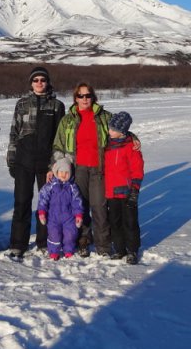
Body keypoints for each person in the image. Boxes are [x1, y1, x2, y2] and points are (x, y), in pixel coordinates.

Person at [52, 82, 138, 257]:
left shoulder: (103, 117)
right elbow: (57, 145)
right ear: (75, 98)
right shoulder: (68, 120)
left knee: (99, 208)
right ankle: (83, 241)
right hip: (77, 170)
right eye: (81, 96)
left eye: (88, 95)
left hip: (99, 168)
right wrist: (57, 166)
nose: (85, 99)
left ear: (93, 97)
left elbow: (121, 130)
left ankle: (104, 245)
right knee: (80, 208)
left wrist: (133, 137)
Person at [6, 67, 65, 259]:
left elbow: (60, 138)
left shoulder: (56, 105)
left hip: (46, 164)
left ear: (48, 82)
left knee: (46, 204)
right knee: (21, 202)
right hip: (23, 161)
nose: (39, 83)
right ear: (31, 83)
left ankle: (44, 242)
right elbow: (14, 133)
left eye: (42, 80)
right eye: (36, 80)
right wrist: (12, 159)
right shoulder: (22, 104)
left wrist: (54, 165)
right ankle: (18, 244)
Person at [105, 111, 144, 265]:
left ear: (122, 132)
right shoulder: (107, 145)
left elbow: (137, 170)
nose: (109, 131)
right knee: (115, 222)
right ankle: (119, 248)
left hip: (127, 192)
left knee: (130, 222)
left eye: (113, 129)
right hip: (111, 192)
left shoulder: (131, 147)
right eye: (109, 128)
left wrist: (135, 189)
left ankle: (132, 250)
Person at [36, 157, 84, 260]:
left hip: (69, 218)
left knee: (70, 234)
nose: (63, 174)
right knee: (54, 234)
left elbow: (77, 201)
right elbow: (43, 198)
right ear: (56, 172)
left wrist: (78, 215)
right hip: (53, 217)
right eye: (61, 172)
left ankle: (68, 250)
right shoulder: (50, 185)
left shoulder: (73, 187)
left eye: (66, 172)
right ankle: (54, 252)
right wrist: (42, 212)